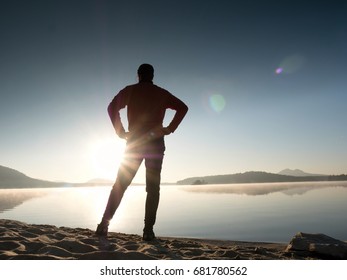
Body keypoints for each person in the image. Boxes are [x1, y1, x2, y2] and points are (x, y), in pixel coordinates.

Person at [96, 64, 188, 241]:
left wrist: (121, 132)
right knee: (152, 189)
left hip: (135, 143)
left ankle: (103, 225)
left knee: (120, 185)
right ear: (152, 75)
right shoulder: (161, 93)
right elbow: (183, 107)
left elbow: (111, 107)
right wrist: (169, 129)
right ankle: (148, 231)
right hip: (155, 143)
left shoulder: (130, 91)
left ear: (138, 75)